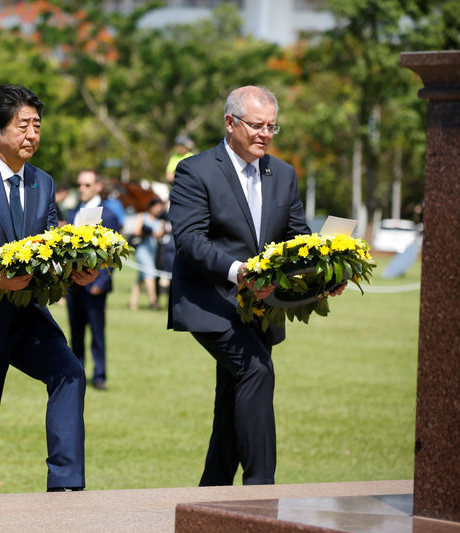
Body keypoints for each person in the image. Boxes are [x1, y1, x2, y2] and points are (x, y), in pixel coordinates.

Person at [167, 86, 344, 486]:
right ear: (230, 123)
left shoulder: (283, 174)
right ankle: (261, 490)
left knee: (233, 398)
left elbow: (297, 239)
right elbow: (190, 240)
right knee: (256, 372)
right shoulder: (195, 170)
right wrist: (237, 271)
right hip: (209, 301)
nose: (265, 134)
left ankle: (211, 495)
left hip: (262, 308)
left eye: (271, 126)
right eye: (256, 125)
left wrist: (329, 274)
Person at [0, 84, 98, 495]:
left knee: (70, 372)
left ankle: (65, 491)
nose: (32, 135)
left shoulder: (42, 182)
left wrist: (76, 271)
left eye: (37, 126)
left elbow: (48, 246)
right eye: (22, 126)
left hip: (26, 318)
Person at [65, 169, 121, 391]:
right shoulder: (73, 212)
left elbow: (114, 253)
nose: (82, 189)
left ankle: (100, 375)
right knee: (75, 332)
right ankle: (76, 371)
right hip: (72, 285)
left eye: (87, 185)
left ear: (98, 186)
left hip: (95, 286)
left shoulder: (107, 214)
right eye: (80, 185)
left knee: (97, 332)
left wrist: (101, 283)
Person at [128, 197, 165, 311]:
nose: (159, 210)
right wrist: (146, 231)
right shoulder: (142, 216)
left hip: (152, 250)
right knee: (150, 273)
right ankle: (154, 302)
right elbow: (136, 232)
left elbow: (160, 235)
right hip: (142, 250)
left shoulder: (161, 221)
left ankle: (132, 302)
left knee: (142, 277)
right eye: (157, 207)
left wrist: (154, 233)